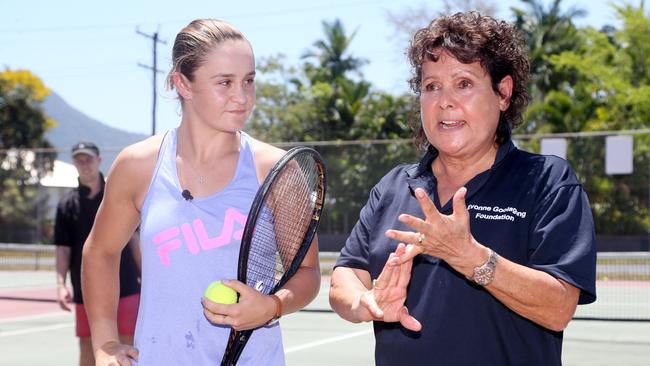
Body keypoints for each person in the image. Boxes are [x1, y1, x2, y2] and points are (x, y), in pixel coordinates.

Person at [329, 11, 597, 366]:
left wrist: (469, 257)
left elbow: (559, 307)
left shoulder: (548, 181)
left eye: (464, 83)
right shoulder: (393, 185)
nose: (444, 101)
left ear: (503, 93)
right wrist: (364, 302)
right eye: (431, 86)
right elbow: (346, 273)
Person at [81, 19, 321, 366]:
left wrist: (273, 305)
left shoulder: (277, 170)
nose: (242, 97)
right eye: (225, 82)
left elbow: (308, 273)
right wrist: (104, 343)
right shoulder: (138, 165)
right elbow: (100, 252)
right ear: (183, 84)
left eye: (249, 81)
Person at [54, 141, 141, 366]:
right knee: (89, 347)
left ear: (99, 161)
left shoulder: (115, 194)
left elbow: (134, 239)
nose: (84, 163)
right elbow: (63, 248)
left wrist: (149, 276)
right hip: (87, 288)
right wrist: (60, 284)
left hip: (127, 284)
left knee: (129, 345)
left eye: (88, 158)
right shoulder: (66, 205)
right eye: (79, 159)